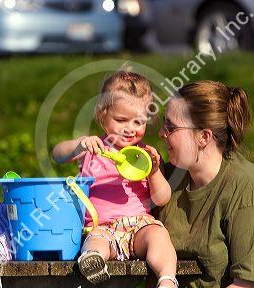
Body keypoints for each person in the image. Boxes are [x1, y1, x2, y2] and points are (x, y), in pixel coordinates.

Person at [157, 80, 254, 288]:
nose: (161, 133)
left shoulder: (248, 190)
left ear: (203, 137)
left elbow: (247, 285)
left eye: (171, 127)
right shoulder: (168, 179)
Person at [52, 69, 178, 287]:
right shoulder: (92, 149)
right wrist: (78, 145)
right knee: (96, 243)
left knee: (158, 236)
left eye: (139, 122)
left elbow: (162, 198)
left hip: (139, 226)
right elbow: (57, 154)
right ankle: (93, 262)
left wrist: (155, 172)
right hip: (102, 226)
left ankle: (167, 279)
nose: (130, 129)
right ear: (102, 115)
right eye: (121, 120)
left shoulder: (144, 157)